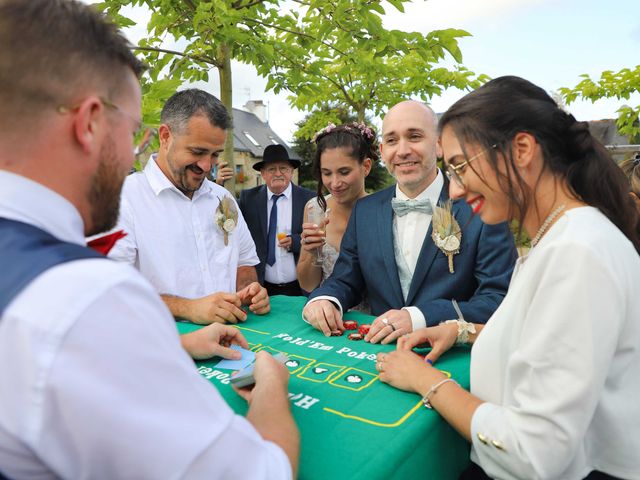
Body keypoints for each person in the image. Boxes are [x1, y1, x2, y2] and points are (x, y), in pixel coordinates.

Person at [0, 1, 299, 478]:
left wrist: (182, 345)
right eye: (132, 134)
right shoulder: (83, 297)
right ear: (91, 123)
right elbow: (259, 472)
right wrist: (271, 388)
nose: (131, 154)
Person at [378, 76, 640, 480]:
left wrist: (425, 379)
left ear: (521, 150)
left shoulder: (577, 251)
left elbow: (532, 454)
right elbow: (552, 345)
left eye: (461, 167)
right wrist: (463, 331)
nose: (457, 190)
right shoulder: (561, 234)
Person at [303, 101, 517, 342]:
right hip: (377, 355)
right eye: (392, 141)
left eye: (414, 136)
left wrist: (419, 317)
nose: (402, 151)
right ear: (382, 152)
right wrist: (325, 299)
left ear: (438, 145)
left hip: (452, 359)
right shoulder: (365, 210)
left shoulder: (482, 208)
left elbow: (497, 298)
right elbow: (345, 279)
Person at [109, 89, 271, 325]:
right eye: (197, 152)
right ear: (165, 136)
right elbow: (111, 289)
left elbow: (243, 262)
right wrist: (188, 308)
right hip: (162, 345)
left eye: (215, 155)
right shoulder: (122, 199)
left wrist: (249, 290)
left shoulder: (223, 197)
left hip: (233, 341)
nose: (207, 166)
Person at [296, 122, 374, 313]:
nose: (335, 183)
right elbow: (308, 285)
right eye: (326, 173)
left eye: (344, 172)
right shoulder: (315, 209)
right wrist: (311, 252)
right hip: (328, 318)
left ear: (366, 166)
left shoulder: (382, 210)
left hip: (375, 323)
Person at [238, 144, 315, 296]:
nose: (278, 173)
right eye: (272, 169)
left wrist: (297, 241)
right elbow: (229, 221)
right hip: (261, 289)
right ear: (263, 173)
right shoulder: (248, 199)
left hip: (301, 288)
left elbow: (320, 236)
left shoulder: (308, 199)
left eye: (283, 169)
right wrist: (218, 182)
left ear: (291, 171)